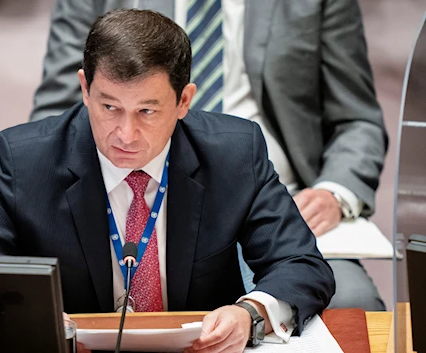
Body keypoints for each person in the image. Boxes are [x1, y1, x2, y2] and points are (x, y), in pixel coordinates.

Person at [0, 9, 334, 352]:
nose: (125, 134)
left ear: (183, 101)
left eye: (146, 111)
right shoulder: (23, 161)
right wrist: (28, 318)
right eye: (110, 106)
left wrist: (251, 314)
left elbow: (300, 263)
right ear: (85, 89)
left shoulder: (233, 154)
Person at [30, 0, 388, 311]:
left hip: (279, 198)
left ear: (186, 100)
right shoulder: (110, 118)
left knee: (350, 302)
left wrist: (335, 192)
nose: (127, 129)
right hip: (122, 189)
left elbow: (357, 118)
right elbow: (55, 118)